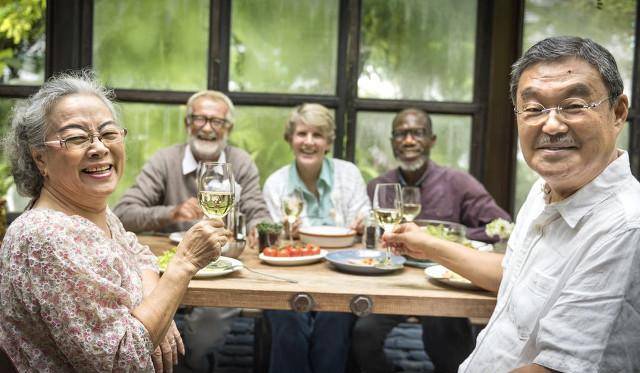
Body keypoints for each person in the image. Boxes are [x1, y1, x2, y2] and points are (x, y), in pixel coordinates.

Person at [385, 36, 640, 372]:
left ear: (618, 112)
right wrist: (426, 243)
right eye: (533, 109)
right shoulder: (544, 190)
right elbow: (514, 273)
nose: (551, 124)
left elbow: (555, 367)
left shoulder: (625, 226)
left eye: (574, 105)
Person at [0, 72, 228, 372]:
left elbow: (138, 253)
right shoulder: (48, 238)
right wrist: (182, 265)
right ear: (40, 158)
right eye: (77, 137)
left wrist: (157, 306)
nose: (98, 148)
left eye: (108, 134)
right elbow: (121, 361)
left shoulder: (90, 214)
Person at [113, 90, 271, 372]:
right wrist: (170, 213)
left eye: (216, 121)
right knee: (148, 325)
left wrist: (258, 227)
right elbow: (124, 213)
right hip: (167, 269)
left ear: (228, 128)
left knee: (204, 333)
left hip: (221, 269)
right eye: (199, 119)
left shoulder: (241, 162)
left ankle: (194, 362)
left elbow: (257, 212)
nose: (207, 127)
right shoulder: (165, 160)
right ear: (188, 123)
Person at [352, 108, 511, 373]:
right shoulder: (379, 186)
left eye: (417, 133)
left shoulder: (459, 183)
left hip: (443, 283)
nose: (409, 140)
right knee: (363, 334)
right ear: (393, 142)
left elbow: (502, 227)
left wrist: (449, 238)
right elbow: (370, 235)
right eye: (401, 134)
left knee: (446, 342)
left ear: (432, 140)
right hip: (393, 282)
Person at [261, 103, 370, 373]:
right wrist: (282, 233)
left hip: (342, 276)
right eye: (301, 134)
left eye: (317, 135)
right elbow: (271, 241)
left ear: (328, 142)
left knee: (334, 319)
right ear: (290, 138)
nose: (309, 142)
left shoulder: (349, 174)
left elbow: (367, 216)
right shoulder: (276, 183)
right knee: (288, 319)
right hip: (290, 276)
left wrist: (365, 223)